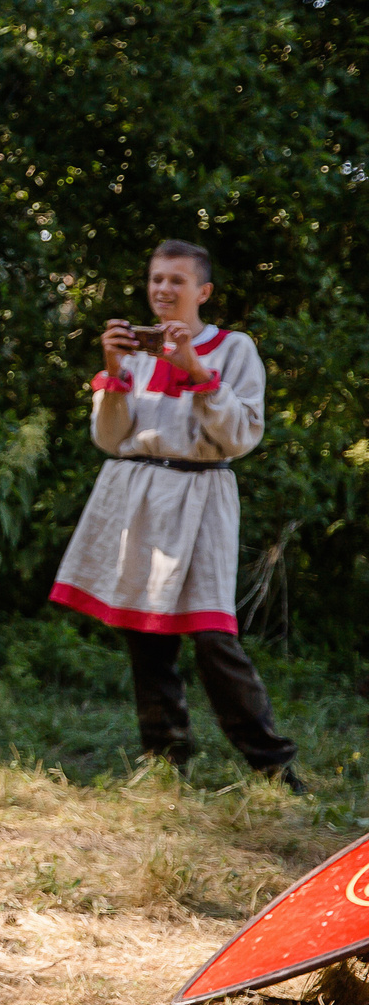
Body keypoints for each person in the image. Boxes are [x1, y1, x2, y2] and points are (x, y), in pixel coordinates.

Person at [49, 241, 299, 786]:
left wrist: (194, 370)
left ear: (202, 292)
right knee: (146, 630)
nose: (163, 289)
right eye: (156, 279)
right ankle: (164, 759)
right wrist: (114, 371)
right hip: (137, 489)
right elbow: (111, 437)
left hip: (201, 493)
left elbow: (241, 434)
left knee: (212, 633)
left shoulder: (234, 349)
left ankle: (273, 765)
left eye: (177, 281)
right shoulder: (135, 352)